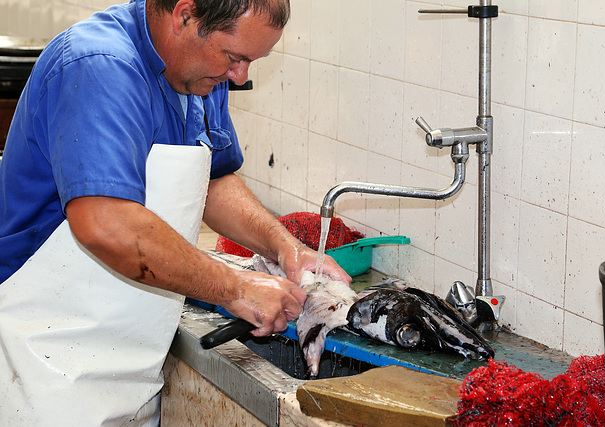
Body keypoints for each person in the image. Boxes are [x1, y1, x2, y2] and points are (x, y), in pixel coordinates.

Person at [0, 0, 350, 425]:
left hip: (133, 362)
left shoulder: (199, 74)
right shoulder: (100, 66)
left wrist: (287, 247)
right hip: (42, 367)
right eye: (235, 57)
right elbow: (106, 226)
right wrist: (237, 289)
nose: (241, 76)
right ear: (185, 14)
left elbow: (212, 181)